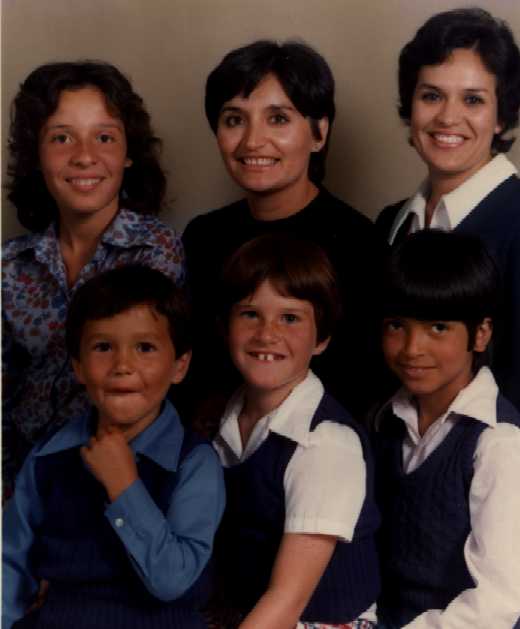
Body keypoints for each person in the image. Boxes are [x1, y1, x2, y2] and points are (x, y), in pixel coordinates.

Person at [2, 265, 225, 629]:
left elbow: (172, 581)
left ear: (179, 366)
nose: (123, 365)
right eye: (103, 347)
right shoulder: (48, 457)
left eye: (145, 348)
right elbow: (10, 565)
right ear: (78, 366)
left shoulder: (194, 463)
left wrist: (124, 486)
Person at [2, 61, 185, 495]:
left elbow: (142, 381)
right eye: (61, 138)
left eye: (104, 137)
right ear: (36, 155)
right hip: (23, 478)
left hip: (121, 475)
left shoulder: (155, 251)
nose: (84, 155)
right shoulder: (11, 265)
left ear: (128, 153)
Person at [182, 39, 386, 424]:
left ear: (319, 133)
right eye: (234, 119)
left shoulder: (359, 244)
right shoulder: (202, 237)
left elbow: (365, 388)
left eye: (278, 118)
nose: (252, 140)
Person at [210, 234, 380, 629]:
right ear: (225, 327)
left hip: (315, 621)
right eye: (250, 314)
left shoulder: (325, 443)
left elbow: (287, 600)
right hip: (245, 612)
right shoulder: (221, 419)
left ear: (321, 338)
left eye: (289, 318)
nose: (266, 334)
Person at [373, 230, 520, 628]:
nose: (411, 349)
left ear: (481, 333)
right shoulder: (385, 421)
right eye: (396, 325)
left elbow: (496, 604)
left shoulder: (498, 444)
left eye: (438, 328)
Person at [375, 7, 520, 410]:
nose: (448, 117)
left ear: (501, 116)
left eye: (472, 99)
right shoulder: (392, 223)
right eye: (431, 96)